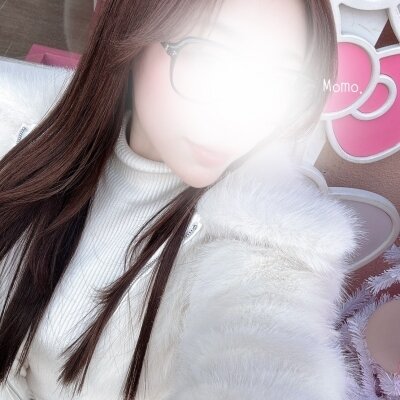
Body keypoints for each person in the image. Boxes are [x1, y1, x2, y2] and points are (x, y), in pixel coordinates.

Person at [0, 0, 363, 399]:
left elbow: (268, 351)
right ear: (134, 36)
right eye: (208, 58)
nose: (236, 114)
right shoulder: (23, 143)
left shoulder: (270, 243)